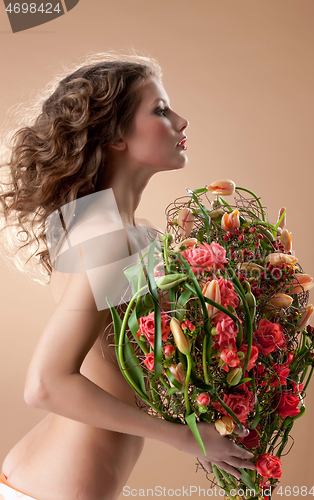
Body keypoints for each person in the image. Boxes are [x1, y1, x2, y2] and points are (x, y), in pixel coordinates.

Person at [0, 51, 256, 500]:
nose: (181, 120)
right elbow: (46, 384)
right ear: (115, 135)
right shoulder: (108, 236)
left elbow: (122, 363)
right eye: (159, 110)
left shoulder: (112, 226)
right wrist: (186, 437)